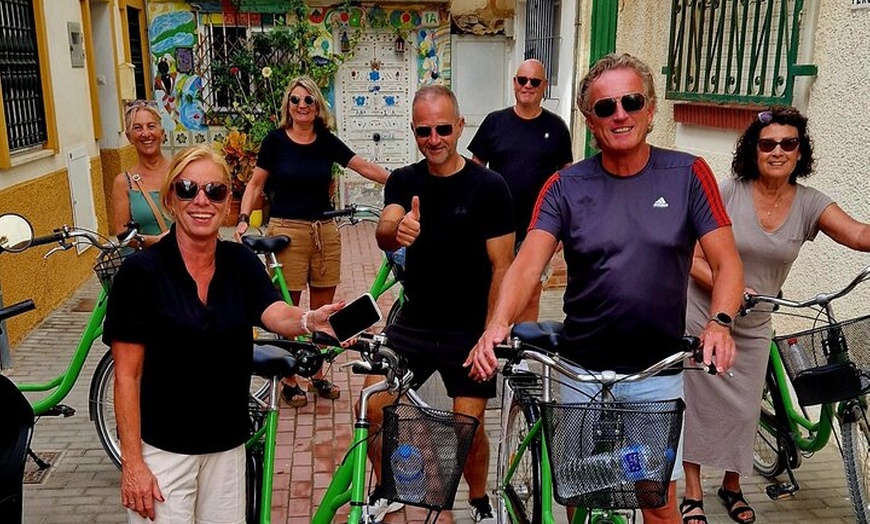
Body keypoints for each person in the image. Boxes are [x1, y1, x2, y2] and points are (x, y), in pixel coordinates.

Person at [465, 53, 745, 524]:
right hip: (581, 371)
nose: (620, 114)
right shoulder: (564, 185)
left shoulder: (687, 174)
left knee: (658, 505)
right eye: (605, 107)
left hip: (654, 375)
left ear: (651, 109)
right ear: (590, 121)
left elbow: (727, 262)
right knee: (580, 498)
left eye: (631, 101)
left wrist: (720, 323)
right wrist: (496, 324)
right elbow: (527, 263)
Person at [104, 146, 343, 523]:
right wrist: (132, 464)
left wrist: (309, 320)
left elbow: (274, 311)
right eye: (187, 189)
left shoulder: (240, 262)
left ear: (228, 200)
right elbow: (126, 376)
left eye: (215, 191)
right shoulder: (141, 274)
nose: (201, 200)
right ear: (170, 199)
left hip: (228, 447)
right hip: (166, 453)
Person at [681, 107, 870, 524]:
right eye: (768, 144)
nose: (778, 151)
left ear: (800, 152)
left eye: (789, 143)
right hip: (706, 311)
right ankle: (692, 492)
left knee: (745, 410)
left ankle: (731, 486)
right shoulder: (728, 192)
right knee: (696, 400)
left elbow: (858, 235)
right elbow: (691, 258)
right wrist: (730, 289)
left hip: (756, 320)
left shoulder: (809, 204)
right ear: (754, 150)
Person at [366, 85, 514, 522]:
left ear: (460, 126)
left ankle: (481, 498)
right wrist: (397, 231)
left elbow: (502, 268)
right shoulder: (403, 180)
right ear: (413, 130)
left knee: (465, 430)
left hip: (469, 326)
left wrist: (491, 333)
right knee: (375, 409)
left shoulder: (490, 187)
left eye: (443, 128)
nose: (434, 139)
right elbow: (386, 226)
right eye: (424, 131)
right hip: (413, 321)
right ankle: (388, 489)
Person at [235, 75, 389, 408]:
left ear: (317, 106)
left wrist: (403, 180)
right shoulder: (275, 141)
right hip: (286, 230)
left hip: (325, 230)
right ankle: (289, 377)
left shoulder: (326, 141)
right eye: (296, 100)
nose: (302, 105)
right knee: (288, 307)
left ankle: (316, 372)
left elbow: (362, 166)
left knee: (323, 308)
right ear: (287, 107)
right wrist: (244, 218)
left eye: (309, 100)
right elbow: (255, 184)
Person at [469, 58, 573, 322]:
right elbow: (474, 171)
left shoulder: (556, 128)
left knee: (531, 291)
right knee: (492, 285)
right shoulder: (495, 122)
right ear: (514, 82)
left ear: (544, 86)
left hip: (539, 227)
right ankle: (487, 344)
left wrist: (562, 228)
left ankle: (522, 353)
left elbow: (568, 179)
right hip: (496, 225)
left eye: (534, 81)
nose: (527, 86)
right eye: (522, 80)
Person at [111, 100, 172, 248]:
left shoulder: (180, 171)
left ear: (162, 133)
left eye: (151, 126)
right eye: (137, 128)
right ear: (129, 137)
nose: (146, 133)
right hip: (146, 264)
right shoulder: (124, 182)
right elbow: (123, 235)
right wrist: (157, 241)